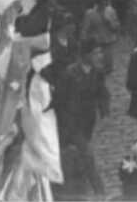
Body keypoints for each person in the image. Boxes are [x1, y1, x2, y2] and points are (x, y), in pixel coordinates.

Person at [53, 41, 109, 198]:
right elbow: (59, 101)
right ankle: (100, 192)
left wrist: (104, 108)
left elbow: (102, 92)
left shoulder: (97, 73)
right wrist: (65, 125)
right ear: (85, 55)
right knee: (87, 155)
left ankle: (79, 189)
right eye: (96, 53)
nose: (100, 56)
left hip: (87, 124)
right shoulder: (70, 74)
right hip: (71, 126)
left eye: (100, 52)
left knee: (81, 158)